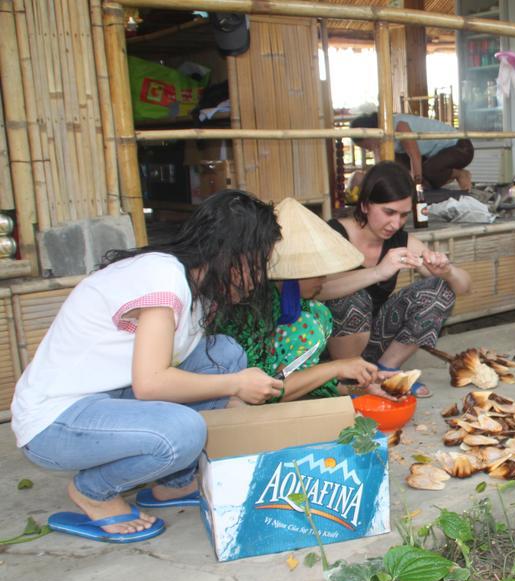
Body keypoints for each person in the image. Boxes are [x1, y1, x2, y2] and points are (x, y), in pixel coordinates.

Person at [12, 190, 285, 543]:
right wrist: (234, 386)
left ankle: (171, 485)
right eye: (259, 261)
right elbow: (151, 384)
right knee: (184, 432)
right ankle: (93, 491)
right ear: (232, 255)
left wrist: (233, 396)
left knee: (225, 354)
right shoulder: (164, 278)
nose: (258, 277)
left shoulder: (195, 287)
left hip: (107, 397)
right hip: (55, 421)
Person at [320, 162, 472, 398]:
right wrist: (378, 272)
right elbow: (315, 291)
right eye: (388, 212)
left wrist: (446, 271)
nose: (396, 224)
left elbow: (464, 287)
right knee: (353, 297)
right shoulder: (334, 234)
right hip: (334, 349)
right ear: (365, 205)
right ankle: (352, 380)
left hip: (375, 341)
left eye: (403, 215)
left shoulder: (401, 240)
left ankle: (386, 370)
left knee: (439, 289)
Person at [215, 197, 382, 402]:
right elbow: (273, 387)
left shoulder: (304, 307)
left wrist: (361, 390)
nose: (324, 279)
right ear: (293, 273)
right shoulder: (252, 306)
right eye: (317, 272)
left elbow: (313, 383)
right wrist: (337, 367)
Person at [349, 111, 474, 191]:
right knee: (402, 169)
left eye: (367, 146)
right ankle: (441, 176)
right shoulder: (384, 140)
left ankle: (459, 174)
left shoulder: (399, 126)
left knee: (425, 173)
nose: (369, 150)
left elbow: (415, 157)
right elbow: (383, 168)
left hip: (460, 147)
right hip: (435, 155)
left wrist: (416, 187)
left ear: (372, 133)